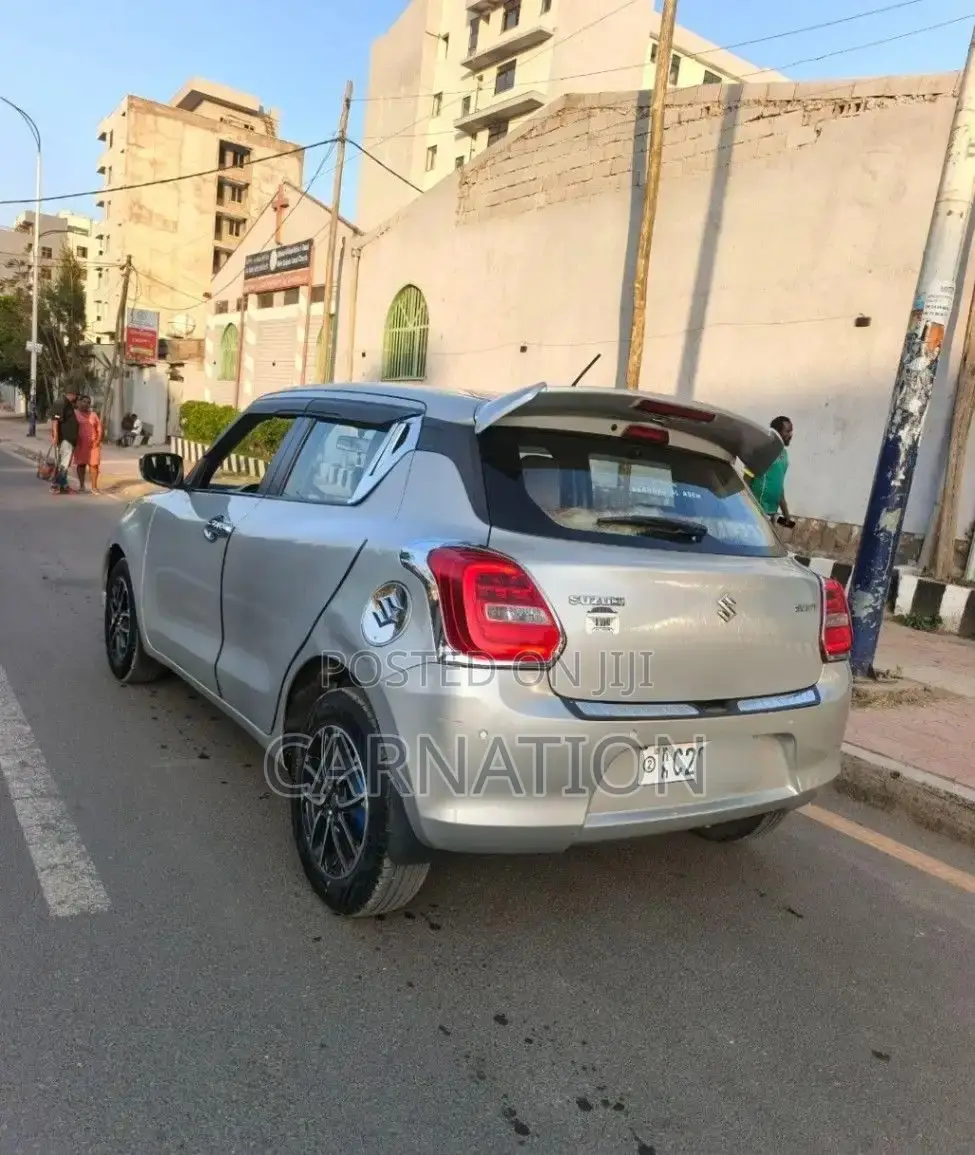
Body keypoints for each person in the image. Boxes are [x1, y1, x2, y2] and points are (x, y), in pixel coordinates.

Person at [745, 416, 795, 527]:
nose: (791, 435)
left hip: (772, 514)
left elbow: (779, 486)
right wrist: (747, 507)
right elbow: (746, 479)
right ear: (777, 432)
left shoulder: (784, 455)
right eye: (787, 431)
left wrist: (786, 515)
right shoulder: (762, 449)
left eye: (791, 431)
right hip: (756, 512)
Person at [49, 389, 80, 495]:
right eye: (75, 395)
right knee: (64, 463)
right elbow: (55, 420)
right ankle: (56, 485)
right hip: (65, 439)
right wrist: (55, 436)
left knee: (64, 463)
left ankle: (63, 486)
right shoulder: (61, 402)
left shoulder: (67, 403)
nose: (76, 398)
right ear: (72, 394)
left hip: (69, 439)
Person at [74, 395, 103, 494]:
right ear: (79, 402)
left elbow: (99, 429)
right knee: (81, 465)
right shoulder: (75, 414)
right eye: (84, 401)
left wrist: (98, 441)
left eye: (88, 402)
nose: (86, 404)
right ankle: (82, 486)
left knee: (94, 465)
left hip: (93, 445)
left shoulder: (93, 415)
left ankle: (94, 487)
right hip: (80, 444)